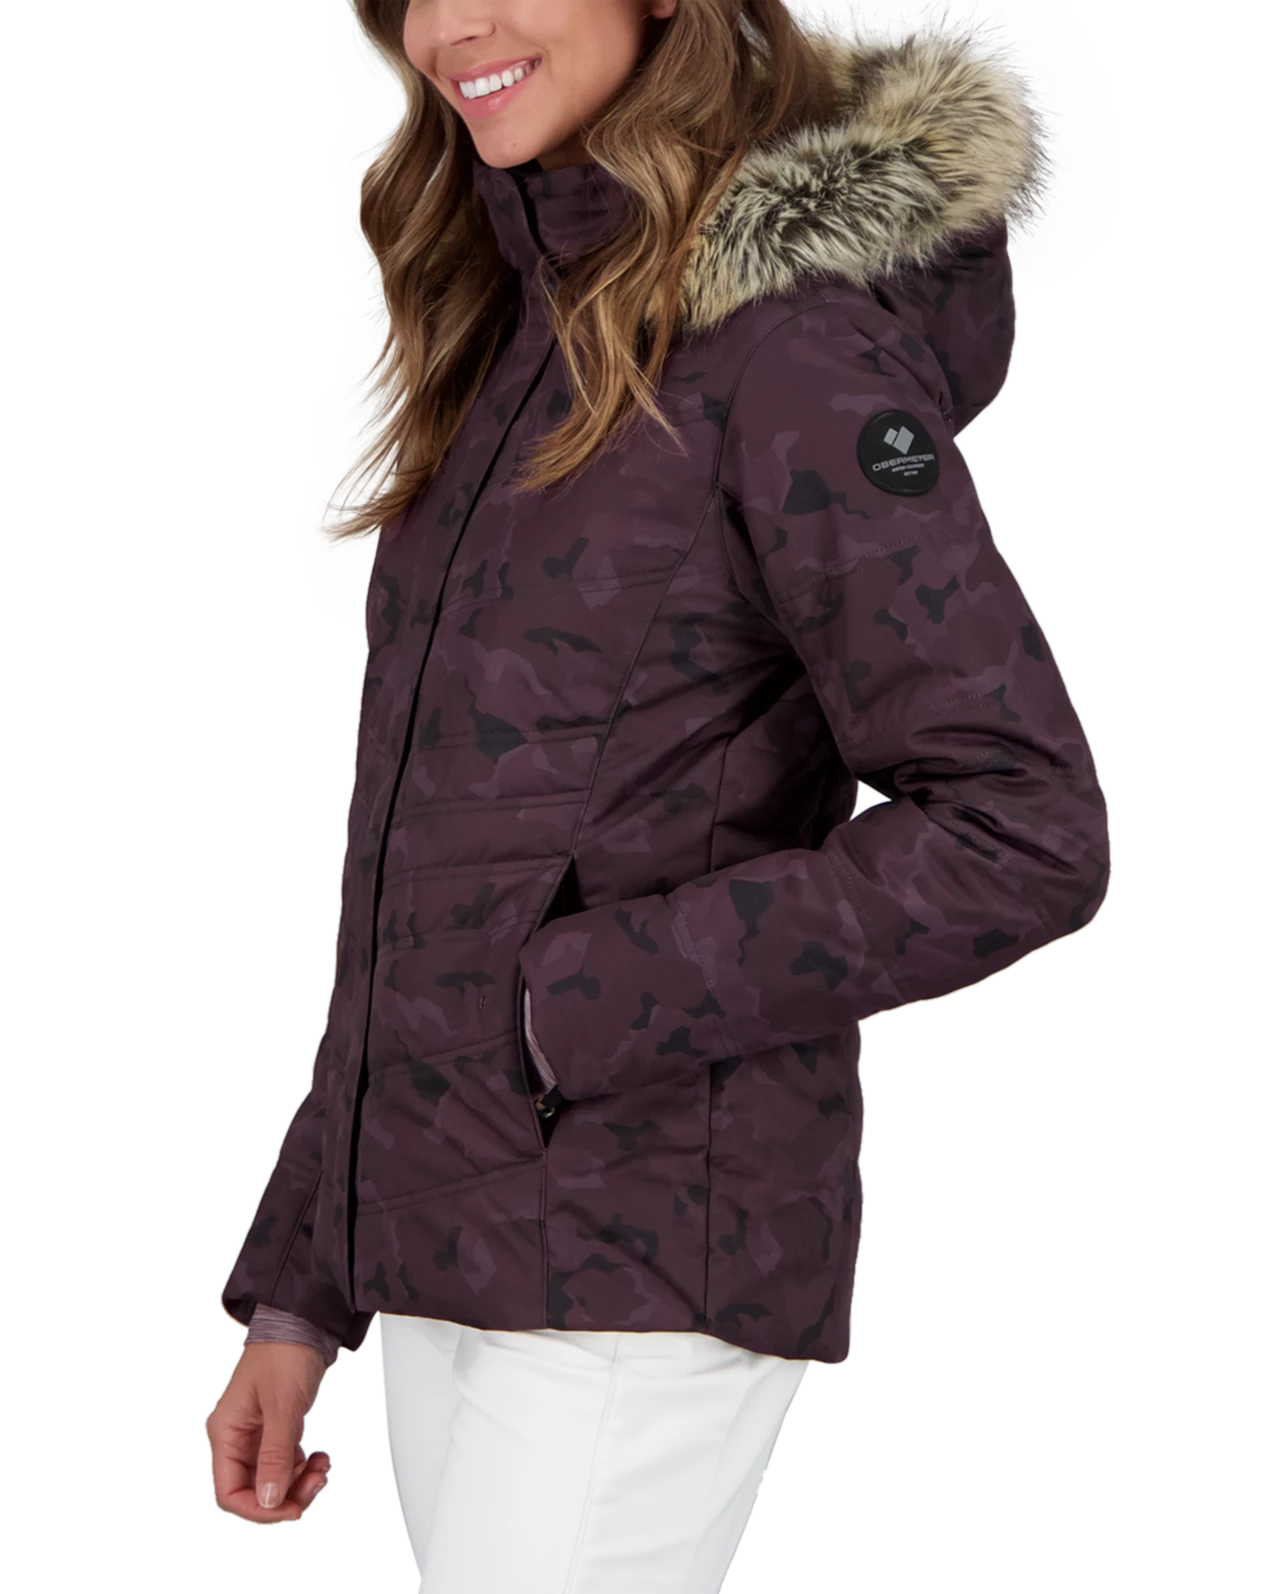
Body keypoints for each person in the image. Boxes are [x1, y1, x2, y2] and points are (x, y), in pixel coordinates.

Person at [207, 1, 1111, 1587]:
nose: (452, 26)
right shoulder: (523, 337)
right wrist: (302, 1289)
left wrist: (569, 1003)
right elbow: (426, 873)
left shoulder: (793, 351)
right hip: (448, 1244)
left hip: (636, 1248)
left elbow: (1020, 822)